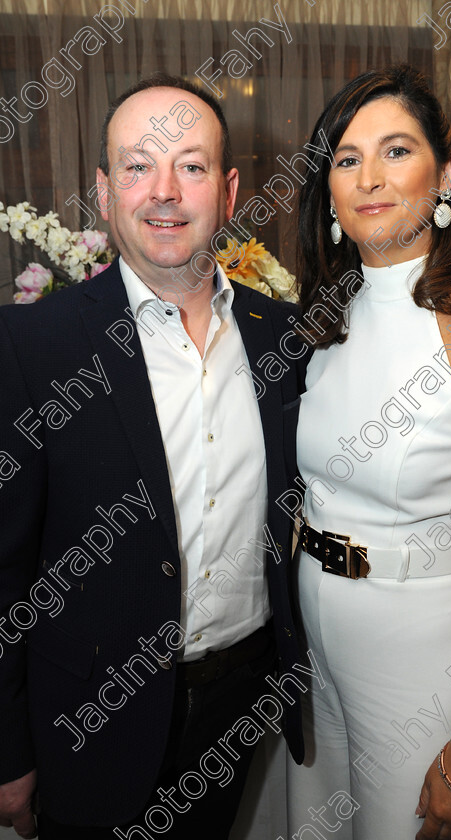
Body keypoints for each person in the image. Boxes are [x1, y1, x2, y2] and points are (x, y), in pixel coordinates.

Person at [0, 73, 307, 840]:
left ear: (229, 191)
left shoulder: (285, 337)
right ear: (104, 193)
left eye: (191, 167)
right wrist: (7, 751)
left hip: (238, 703)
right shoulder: (34, 344)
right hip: (88, 721)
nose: (163, 192)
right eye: (138, 166)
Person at [287, 64, 451, 840]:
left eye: (395, 151)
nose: (369, 177)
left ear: (442, 173)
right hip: (313, 649)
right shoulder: (321, 324)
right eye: (345, 158)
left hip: (419, 656)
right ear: (328, 190)